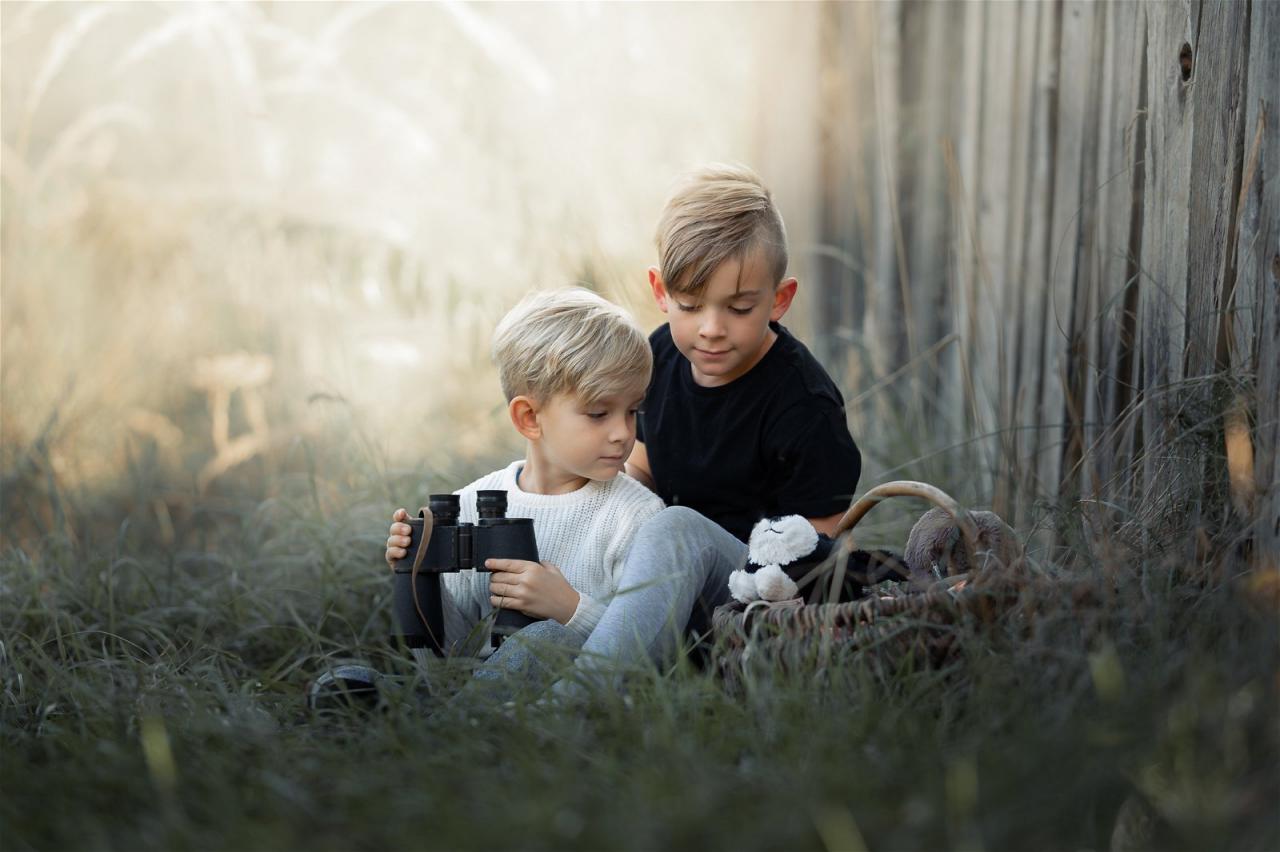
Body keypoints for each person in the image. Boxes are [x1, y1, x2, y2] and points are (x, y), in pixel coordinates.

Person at [551, 164, 863, 692]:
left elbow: (815, 562)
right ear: (660, 291)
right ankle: (458, 712)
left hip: (751, 604)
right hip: (656, 587)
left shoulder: (804, 406)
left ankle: (576, 705)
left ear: (779, 300)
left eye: (739, 308)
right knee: (540, 638)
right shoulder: (656, 360)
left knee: (678, 529)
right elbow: (635, 480)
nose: (712, 329)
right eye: (691, 306)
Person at [381, 288, 664, 682]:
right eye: (599, 413)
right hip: (481, 691)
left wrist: (569, 609)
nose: (623, 432)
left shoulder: (636, 517)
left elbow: (648, 661)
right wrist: (416, 578)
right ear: (530, 418)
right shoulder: (469, 506)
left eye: (633, 410)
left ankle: (448, 724)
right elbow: (449, 661)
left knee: (545, 639)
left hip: (577, 710)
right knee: (351, 680)